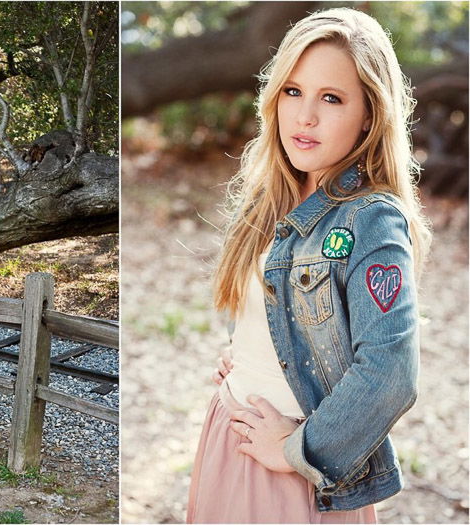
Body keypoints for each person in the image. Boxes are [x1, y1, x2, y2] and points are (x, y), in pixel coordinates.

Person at [187, 8, 431, 523]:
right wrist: (248, 350)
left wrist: (299, 450)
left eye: (332, 98)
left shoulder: (370, 220)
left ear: (370, 114)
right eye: (293, 92)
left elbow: (391, 373)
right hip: (230, 437)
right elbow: (280, 311)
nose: (305, 116)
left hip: (295, 471)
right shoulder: (273, 197)